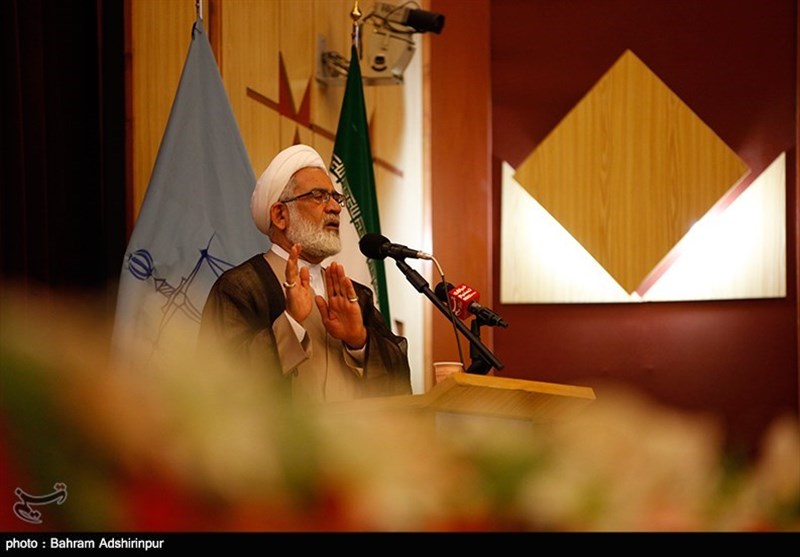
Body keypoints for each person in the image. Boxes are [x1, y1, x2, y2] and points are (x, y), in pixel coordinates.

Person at [198, 144, 412, 403]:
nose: (335, 208)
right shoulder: (241, 287)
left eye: (336, 198)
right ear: (280, 215)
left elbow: (399, 384)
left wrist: (359, 340)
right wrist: (290, 322)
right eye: (318, 196)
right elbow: (220, 381)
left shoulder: (357, 296)